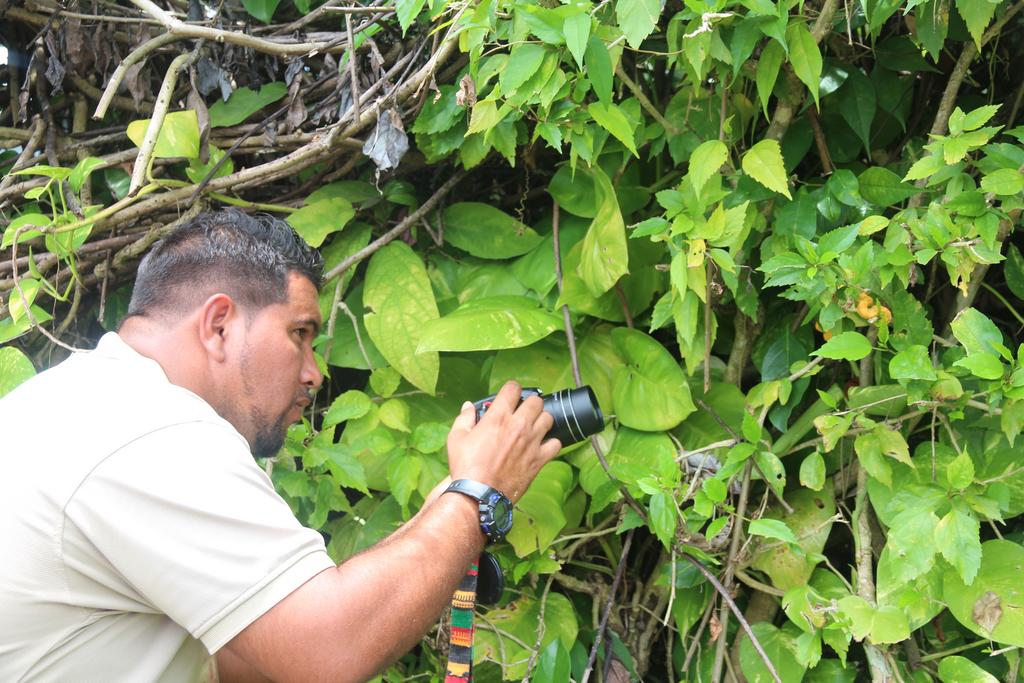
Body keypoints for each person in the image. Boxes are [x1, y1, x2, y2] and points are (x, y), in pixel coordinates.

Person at [0, 209, 562, 682]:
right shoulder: (152, 434)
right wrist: (476, 497)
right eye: (299, 334)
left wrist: (448, 509)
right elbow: (327, 648)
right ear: (219, 324)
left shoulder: (83, 401)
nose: (314, 373)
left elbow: (250, 651)